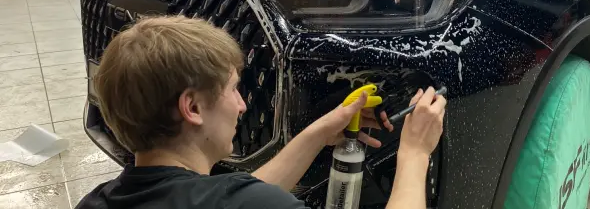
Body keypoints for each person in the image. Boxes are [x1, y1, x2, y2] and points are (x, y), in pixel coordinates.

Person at [76, 16, 446, 209]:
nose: (241, 105)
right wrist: (415, 153)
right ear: (193, 107)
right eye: (233, 90)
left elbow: (242, 196)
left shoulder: (96, 201)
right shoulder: (241, 201)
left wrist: (320, 131)